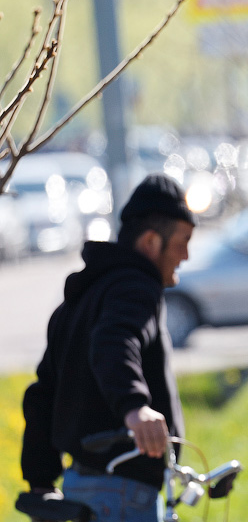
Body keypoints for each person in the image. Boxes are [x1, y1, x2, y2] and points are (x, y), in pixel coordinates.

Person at [21, 173, 196, 522]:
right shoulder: (136, 287)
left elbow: (43, 393)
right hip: (121, 495)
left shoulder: (82, 297)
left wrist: (40, 481)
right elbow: (114, 342)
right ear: (151, 241)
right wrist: (134, 407)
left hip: (80, 488)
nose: (187, 255)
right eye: (183, 241)